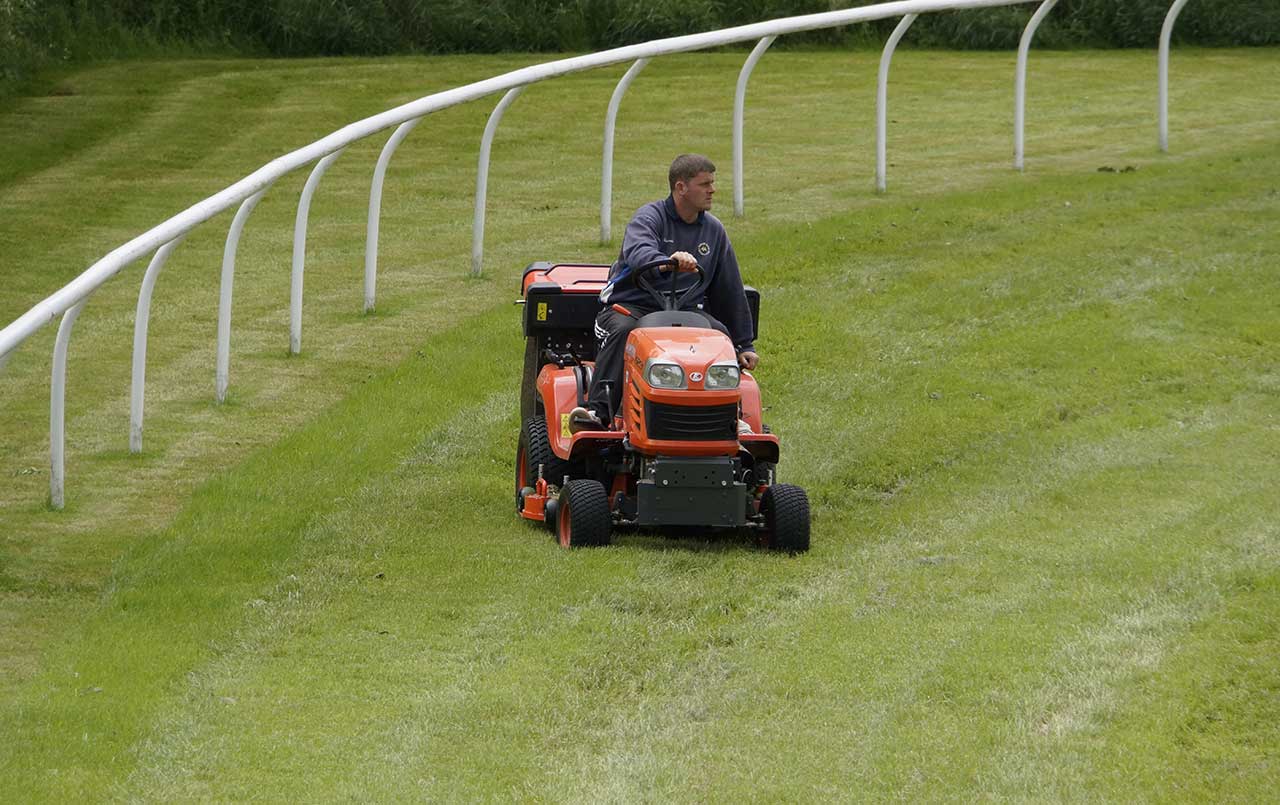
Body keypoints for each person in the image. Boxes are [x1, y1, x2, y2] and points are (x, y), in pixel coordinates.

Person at [569, 153, 758, 432]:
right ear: (681, 187)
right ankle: (599, 411)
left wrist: (744, 344)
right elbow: (638, 252)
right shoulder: (649, 218)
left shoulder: (714, 231)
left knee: (720, 337)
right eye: (705, 184)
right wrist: (668, 261)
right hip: (632, 307)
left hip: (684, 311)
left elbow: (728, 289)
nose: (712, 190)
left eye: (712, 183)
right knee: (624, 333)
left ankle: (729, 415)